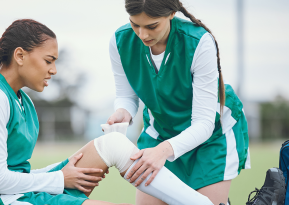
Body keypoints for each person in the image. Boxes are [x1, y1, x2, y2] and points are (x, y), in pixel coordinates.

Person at [0, 19, 214, 205]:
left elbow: (16, 173)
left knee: (113, 143)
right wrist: (59, 179)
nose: (53, 70)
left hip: (19, 188)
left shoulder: (20, 99)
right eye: (48, 61)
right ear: (20, 56)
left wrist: (60, 173)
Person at [107, 0, 250, 204]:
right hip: (161, 133)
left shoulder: (199, 41)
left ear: (172, 13)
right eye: (135, 24)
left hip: (211, 136)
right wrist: (123, 111)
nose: (143, 35)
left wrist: (163, 152)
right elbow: (126, 95)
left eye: (152, 26)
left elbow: (204, 123)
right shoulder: (119, 41)